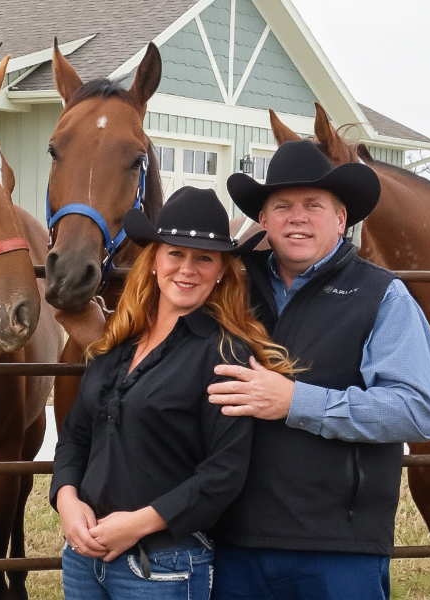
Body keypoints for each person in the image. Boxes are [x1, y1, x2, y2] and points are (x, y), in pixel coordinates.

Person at [208, 140, 430, 600]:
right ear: (265, 221)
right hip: (235, 541)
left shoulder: (382, 296)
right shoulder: (230, 286)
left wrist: (295, 402)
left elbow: (414, 411)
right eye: (282, 206)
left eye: (314, 205)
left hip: (338, 547)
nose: (297, 217)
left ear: (341, 219)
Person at [50, 186, 299, 600]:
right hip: (83, 557)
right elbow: (76, 436)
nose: (187, 269)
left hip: (162, 565)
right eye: (175, 254)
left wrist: (137, 523)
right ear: (153, 262)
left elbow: (224, 473)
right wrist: (67, 498)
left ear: (221, 270)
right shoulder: (119, 343)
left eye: (204, 258)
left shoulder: (224, 354)